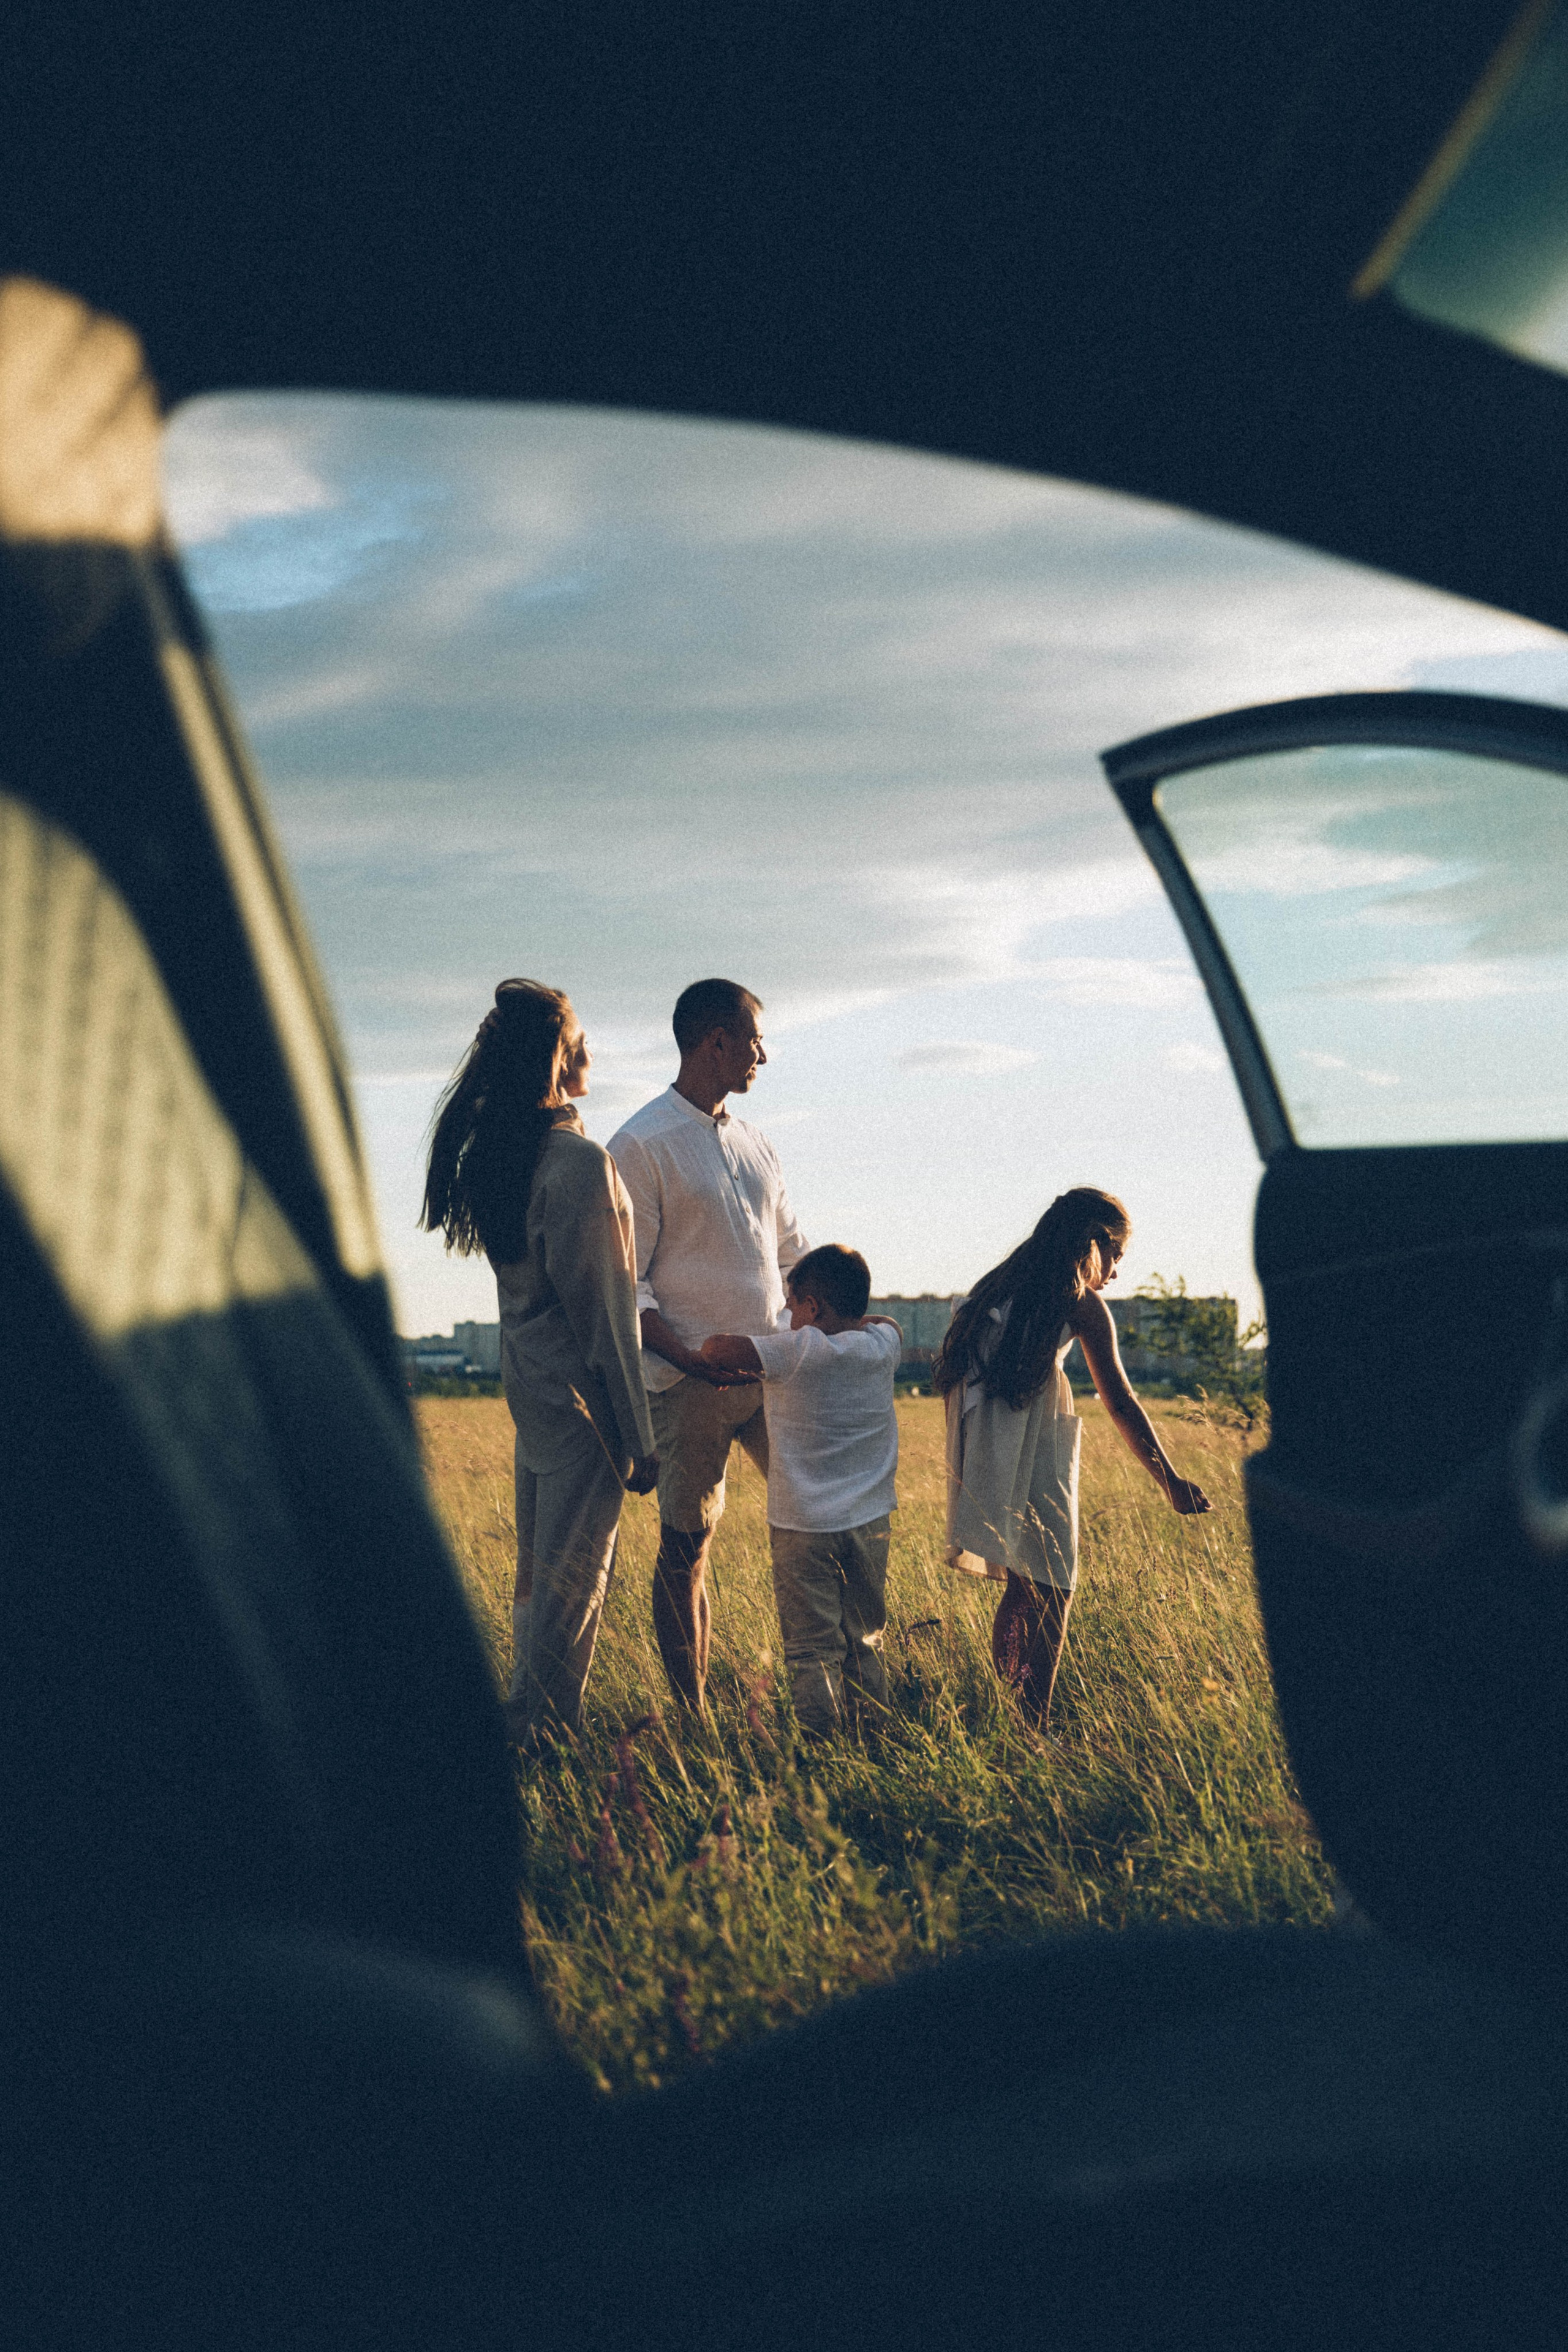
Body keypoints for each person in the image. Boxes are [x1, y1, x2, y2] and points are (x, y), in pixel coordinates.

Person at [421, 979, 658, 1749]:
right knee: (573, 1579)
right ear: (557, 1059)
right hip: (583, 1403)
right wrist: (639, 1435)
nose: (590, 1050)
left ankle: (527, 1714)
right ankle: (544, 1733)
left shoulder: (505, 1159)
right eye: (578, 1038)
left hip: (531, 1392)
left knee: (538, 1572)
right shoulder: (578, 1165)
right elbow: (607, 1313)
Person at [933, 1186, 1210, 1730]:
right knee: (1054, 1587)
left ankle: (1015, 1713)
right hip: (1033, 1444)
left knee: (1023, 1584)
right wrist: (1170, 1480)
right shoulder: (1077, 1301)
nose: (1115, 1272)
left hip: (987, 1442)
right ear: (1094, 1244)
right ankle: (1033, 1723)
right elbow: (1122, 1402)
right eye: (1117, 1257)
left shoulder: (998, 1285)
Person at [608, 978, 807, 1715]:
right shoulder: (638, 1144)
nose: (763, 1054)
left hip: (772, 1372)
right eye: (755, 1039)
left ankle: (827, 1687)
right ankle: (692, 1715)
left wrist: (828, 1334)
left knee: (816, 1522)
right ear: (717, 1041)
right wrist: (688, 1359)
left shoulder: (758, 1142)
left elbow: (792, 1254)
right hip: (687, 1385)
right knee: (687, 1547)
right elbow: (625, 1285)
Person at [701, 1245, 902, 1739]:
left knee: (812, 1649)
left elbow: (714, 1350)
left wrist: (769, 1352)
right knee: (866, 1638)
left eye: (793, 1305)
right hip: (870, 1524)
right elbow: (886, 1319)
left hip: (803, 1529)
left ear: (813, 1307)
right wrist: (850, 1315)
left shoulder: (798, 1350)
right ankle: (871, 1736)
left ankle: (821, 1744)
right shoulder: (884, 1345)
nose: (788, 1316)